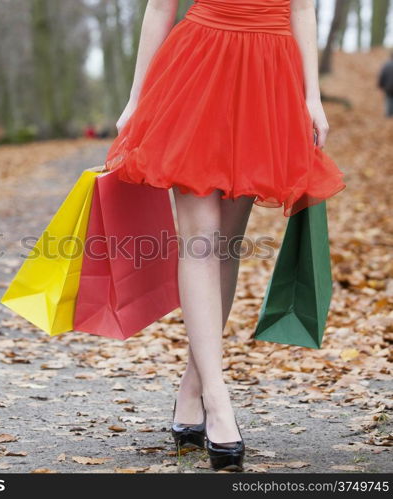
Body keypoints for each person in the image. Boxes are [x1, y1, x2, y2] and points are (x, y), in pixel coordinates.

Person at [103, 0, 346, 472]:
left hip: (268, 74)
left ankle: (191, 389)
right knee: (200, 240)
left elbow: (303, 8)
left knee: (226, 247)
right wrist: (136, 99)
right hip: (197, 65)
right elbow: (159, 8)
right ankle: (218, 400)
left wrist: (312, 96)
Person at [378, 51, 393, 117]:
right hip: (388, 87)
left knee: (389, 100)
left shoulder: (386, 65)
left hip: (388, 87)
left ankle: (389, 115)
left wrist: (380, 85)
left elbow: (382, 75)